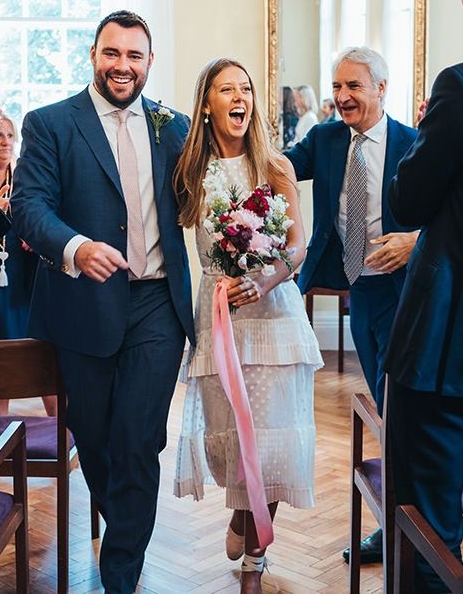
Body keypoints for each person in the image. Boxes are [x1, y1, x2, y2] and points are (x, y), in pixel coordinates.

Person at [12, 10, 194, 593]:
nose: (122, 66)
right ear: (93, 55)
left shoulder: (175, 128)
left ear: (150, 61)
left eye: (134, 55)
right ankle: (128, 533)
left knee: (140, 437)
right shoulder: (50, 123)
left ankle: (120, 576)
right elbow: (29, 206)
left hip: (157, 303)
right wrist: (76, 246)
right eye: (111, 53)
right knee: (94, 438)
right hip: (82, 304)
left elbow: (217, 191)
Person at [173, 58, 322, 592]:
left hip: (274, 316)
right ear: (207, 104)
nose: (240, 98)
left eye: (246, 89)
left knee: (275, 438)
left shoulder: (274, 165)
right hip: (218, 316)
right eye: (226, 89)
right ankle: (241, 512)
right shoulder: (190, 169)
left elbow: (300, 246)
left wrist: (270, 278)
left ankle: (256, 559)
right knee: (231, 440)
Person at [285, 46, 418, 564]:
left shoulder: (412, 143)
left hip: (407, 288)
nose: (341, 97)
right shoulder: (324, 138)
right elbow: (277, 167)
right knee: (385, 398)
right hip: (359, 287)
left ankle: (409, 527)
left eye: (353, 87)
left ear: (381, 88)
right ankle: (400, 523)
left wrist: (415, 239)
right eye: (336, 87)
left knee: (401, 401)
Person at [383, 0, 463, 593]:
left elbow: (410, 200)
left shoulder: (458, 86)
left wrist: (427, 134)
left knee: (428, 520)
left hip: (449, 345)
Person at [0, 117, 56, 417]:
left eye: (10, 135)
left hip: (25, 279)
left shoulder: (25, 179)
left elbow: (48, 217)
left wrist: (36, 236)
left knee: (38, 354)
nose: (6, 141)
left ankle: (63, 434)